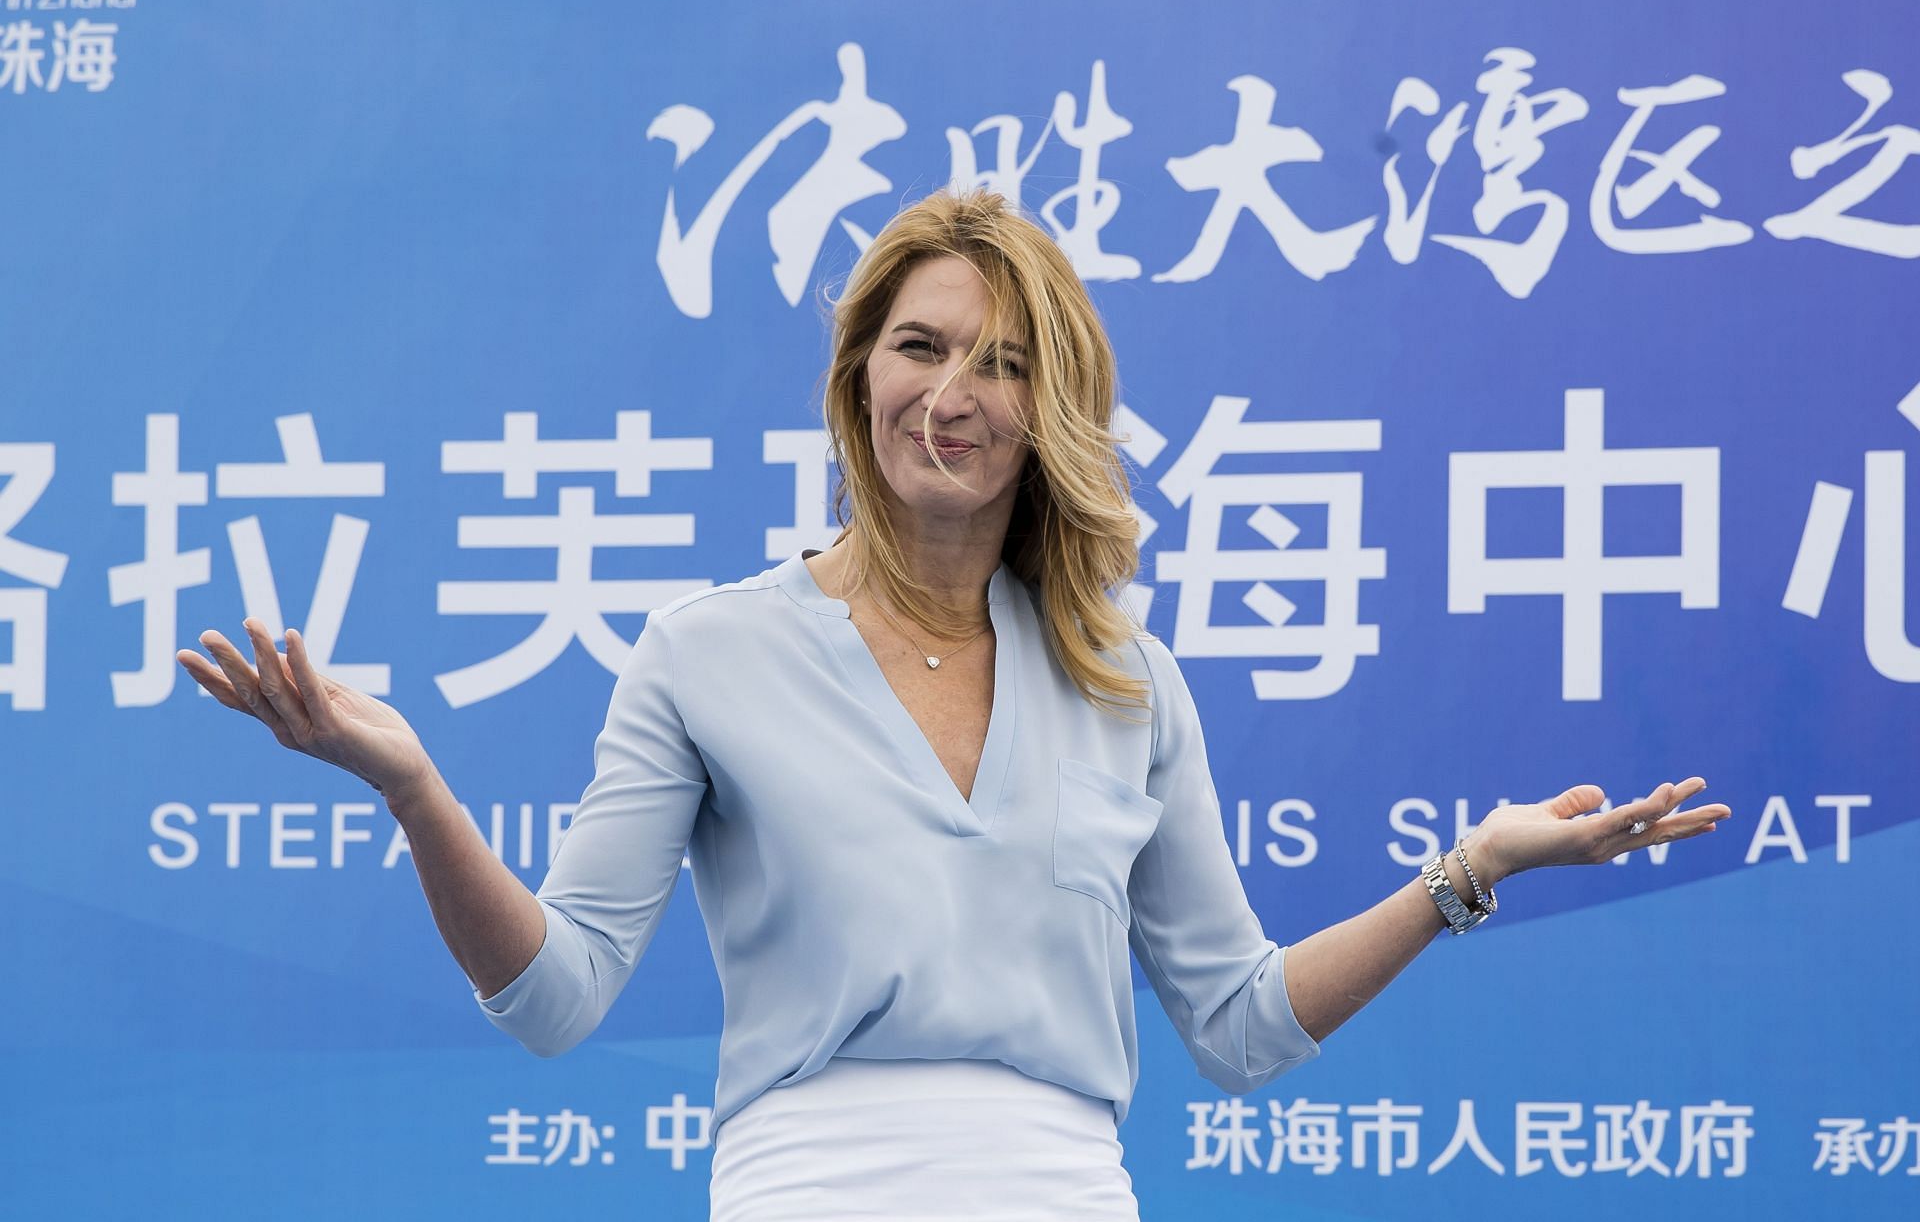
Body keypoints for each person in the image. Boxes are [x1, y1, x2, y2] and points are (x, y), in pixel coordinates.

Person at [177, 187, 1732, 1221]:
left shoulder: (1124, 679)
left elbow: (1242, 1028)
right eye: (917, 347)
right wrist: (415, 788)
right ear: (859, 377)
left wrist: (1470, 875)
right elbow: (558, 995)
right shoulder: (705, 651)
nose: (952, 393)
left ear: (1048, 408)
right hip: (806, 1186)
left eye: (999, 362)